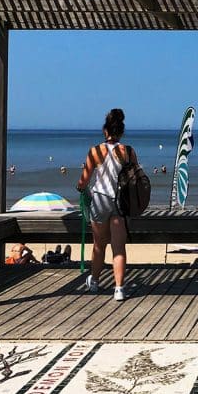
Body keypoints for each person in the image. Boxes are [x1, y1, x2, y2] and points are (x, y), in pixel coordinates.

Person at [76, 108, 136, 302]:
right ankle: (119, 289)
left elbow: (83, 181)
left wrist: (79, 188)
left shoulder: (95, 151)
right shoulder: (128, 151)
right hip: (119, 201)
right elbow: (135, 178)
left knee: (98, 245)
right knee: (118, 248)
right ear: (121, 131)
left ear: (105, 131)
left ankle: (94, 281)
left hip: (100, 199)